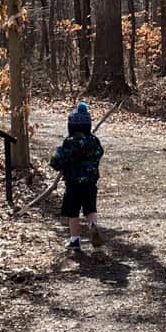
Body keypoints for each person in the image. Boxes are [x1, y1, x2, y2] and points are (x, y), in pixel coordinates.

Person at [50, 102, 104, 253]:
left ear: (71, 127)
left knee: (73, 212)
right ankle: (92, 225)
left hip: (73, 183)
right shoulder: (94, 141)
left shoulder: (70, 143)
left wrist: (58, 161)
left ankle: (74, 240)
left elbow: (56, 160)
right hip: (90, 183)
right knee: (90, 208)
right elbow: (100, 154)